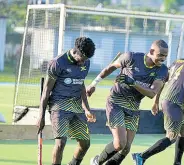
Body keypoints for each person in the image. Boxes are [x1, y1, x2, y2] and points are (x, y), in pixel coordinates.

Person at [87, 40, 169, 165]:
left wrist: (133, 83)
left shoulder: (162, 70)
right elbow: (110, 68)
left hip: (133, 107)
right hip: (116, 102)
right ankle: (97, 161)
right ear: (151, 51)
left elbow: (152, 93)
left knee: (126, 149)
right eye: (161, 55)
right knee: (120, 143)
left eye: (165, 56)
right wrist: (94, 84)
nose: (163, 58)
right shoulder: (131, 57)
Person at [132, 46, 184, 165]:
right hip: (173, 103)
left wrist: (156, 101)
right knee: (171, 137)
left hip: (169, 101)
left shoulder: (177, 62)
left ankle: (177, 163)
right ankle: (141, 156)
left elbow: (162, 81)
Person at [36, 37, 97, 165]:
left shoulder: (86, 62)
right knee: (61, 142)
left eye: (86, 60)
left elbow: (80, 84)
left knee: (85, 143)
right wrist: (40, 116)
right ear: (76, 51)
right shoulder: (57, 63)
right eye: (83, 58)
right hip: (59, 105)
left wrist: (86, 109)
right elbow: (46, 91)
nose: (83, 63)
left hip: (76, 105)